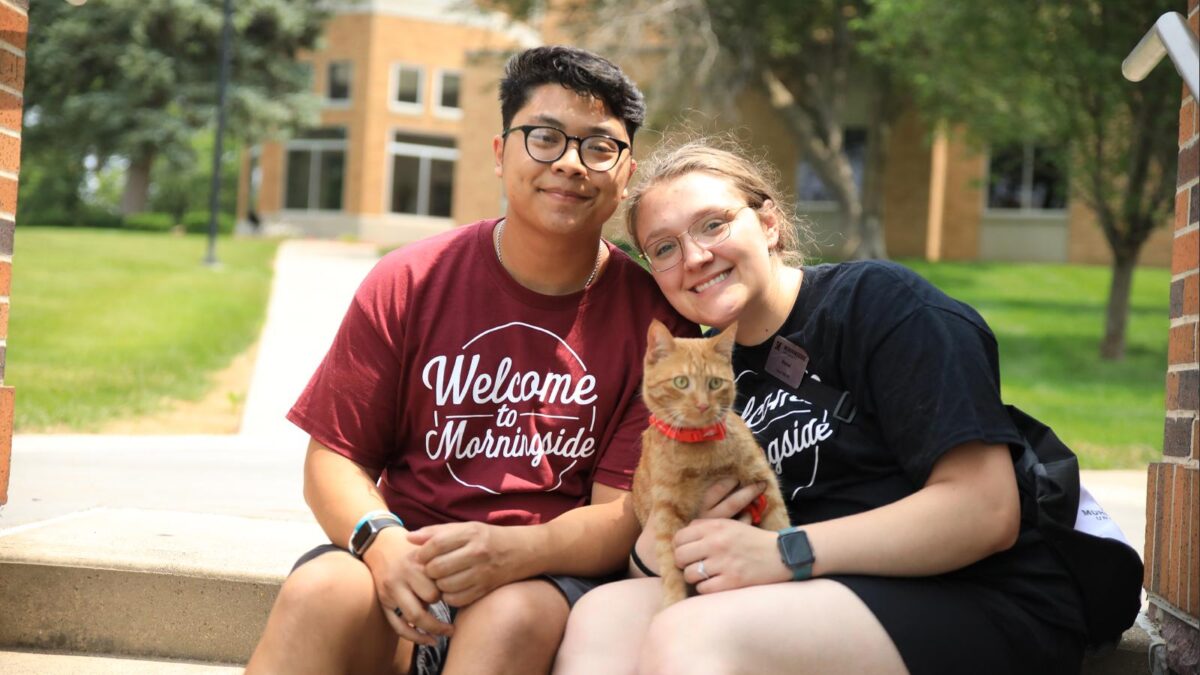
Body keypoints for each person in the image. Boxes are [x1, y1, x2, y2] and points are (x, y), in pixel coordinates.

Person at [552, 138, 1089, 675]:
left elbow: (985, 512)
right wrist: (655, 549)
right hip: (813, 593)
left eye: (713, 224)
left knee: (694, 634)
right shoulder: (707, 373)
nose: (694, 256)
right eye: (664, 248)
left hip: (977, 593)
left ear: (769, 224)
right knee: (604, 615)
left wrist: (784, 552)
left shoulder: (877, 304)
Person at [245, 46, 694, 675]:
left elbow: (622, 514)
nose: (569, 163)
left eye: (598, 147)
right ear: (499, 152)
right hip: (409, 557)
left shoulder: (657, 323)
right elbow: (335, 455)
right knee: (324, 592)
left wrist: (514, 551)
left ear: (625, 173)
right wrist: (381, 542)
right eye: (544, 137)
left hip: (544, 578)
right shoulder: (411, 278)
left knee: (511, 617)